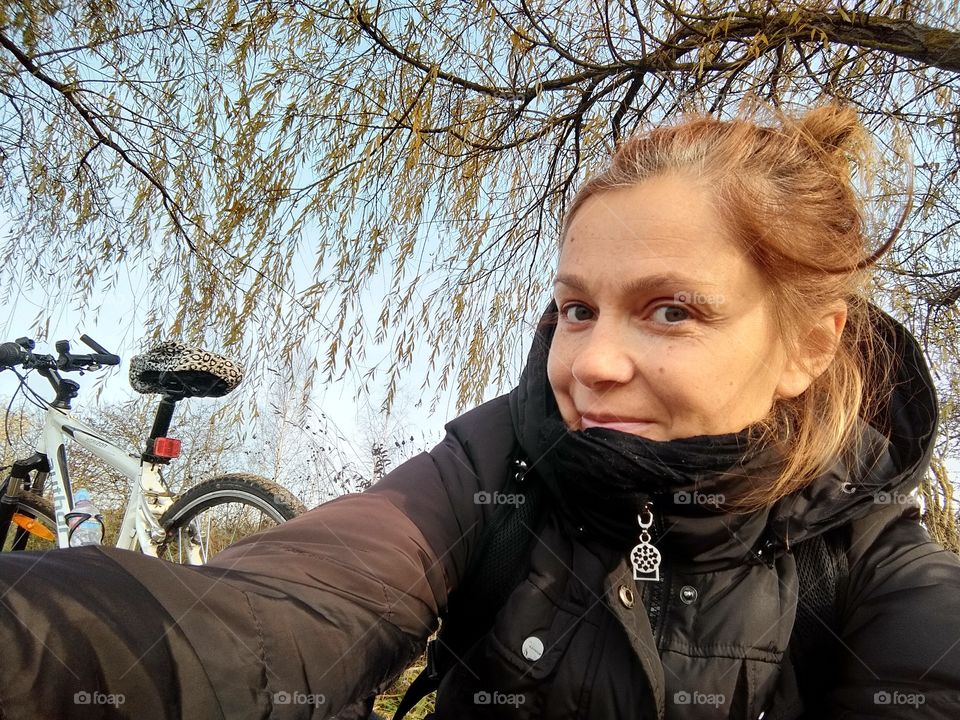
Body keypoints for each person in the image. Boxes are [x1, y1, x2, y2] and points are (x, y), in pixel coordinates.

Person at [0, 103, 958, 720]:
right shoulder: (499, 465)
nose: (590, 363)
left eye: (671, 311)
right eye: (576, 309)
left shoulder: (866, 560)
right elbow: (271, 615)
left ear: (808, 347)